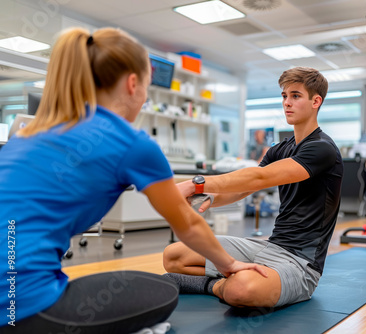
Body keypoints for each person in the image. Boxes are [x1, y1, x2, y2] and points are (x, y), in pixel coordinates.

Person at [0, 27, 265, 333]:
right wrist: (230, 265)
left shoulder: (30, 133)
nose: (144, 98)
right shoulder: (130, 142)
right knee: (163, 292)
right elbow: (187, 224)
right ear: (132, 83)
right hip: (21, 310)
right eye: (147, 88)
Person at [164, 67, 343, 308]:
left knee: (242, 289)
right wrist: (210, 198)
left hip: (299, 263)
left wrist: (196, 184)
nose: (287, 103)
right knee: (174, 256)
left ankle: (211, 285)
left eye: (296, 96)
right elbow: (243, 189)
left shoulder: (322, 148)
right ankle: (233, 279)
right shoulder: (279, 149)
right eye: (284, 96)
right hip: (268, 246)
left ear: (316, 101)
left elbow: (258, 178)